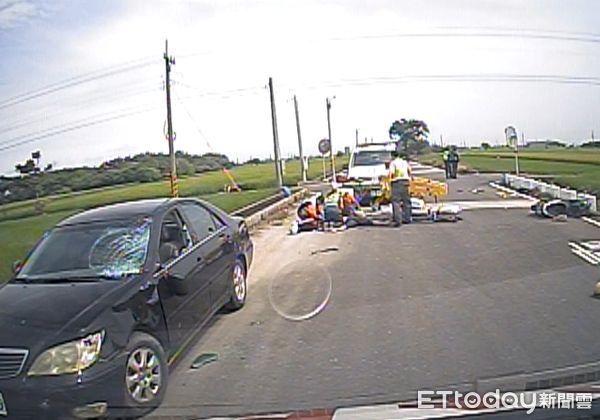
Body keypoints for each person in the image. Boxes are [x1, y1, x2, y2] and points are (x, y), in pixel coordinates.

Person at [388, 149, 412, 226]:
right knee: (406, 201)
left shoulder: (393, 163)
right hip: (406, 181)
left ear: (393, 156)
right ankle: (407, 218)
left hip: (397, 182)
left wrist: (389, 181)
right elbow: (410, 170)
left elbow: (391, 173)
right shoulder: (404, 162)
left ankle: (398, 220)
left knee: (396, 202)